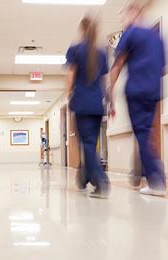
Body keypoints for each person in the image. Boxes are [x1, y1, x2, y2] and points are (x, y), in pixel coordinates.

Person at [109, 1, 167, 196]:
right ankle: (150, 173)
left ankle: (156, 181)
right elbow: (164, 67)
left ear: (134, 13)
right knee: (148, 134)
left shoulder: (130, 33)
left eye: (123, 16)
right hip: (154, 91)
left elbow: (117, 66)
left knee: (142, 135)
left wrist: (110, 93)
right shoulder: (157, 38)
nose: (122, 21)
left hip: (136, 91)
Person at [66, 15, 112, 198]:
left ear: (82, 29)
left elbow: (70, 75)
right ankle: (85, 178)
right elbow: (105, 81)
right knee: (91, 145)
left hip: (82, 103)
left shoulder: (75, 50)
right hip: (97, 104)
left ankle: (102, 182)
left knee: (87, 144)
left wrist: (68, 94)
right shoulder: (101, 53)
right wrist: (111, 101)